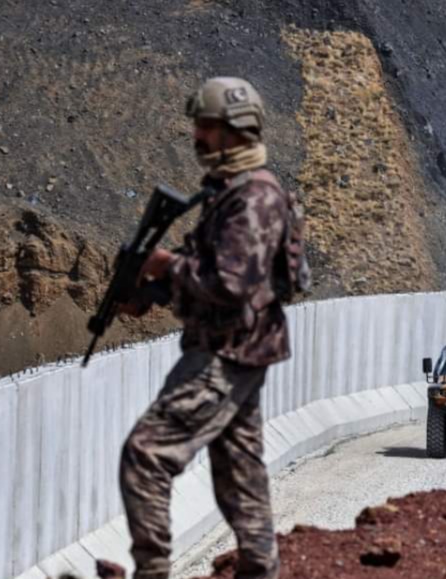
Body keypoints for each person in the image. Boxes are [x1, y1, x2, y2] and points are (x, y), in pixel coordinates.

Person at [118, 76, 306, 578]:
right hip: (237, 346)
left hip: (227, 352)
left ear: (234, 130)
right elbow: (212, 273)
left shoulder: (254, 198)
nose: (197, 135)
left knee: (147, 454)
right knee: (240, 475)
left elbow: (230, 283)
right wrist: (155, 293)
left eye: (206, 126)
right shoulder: (230, 193)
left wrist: (163, 266)